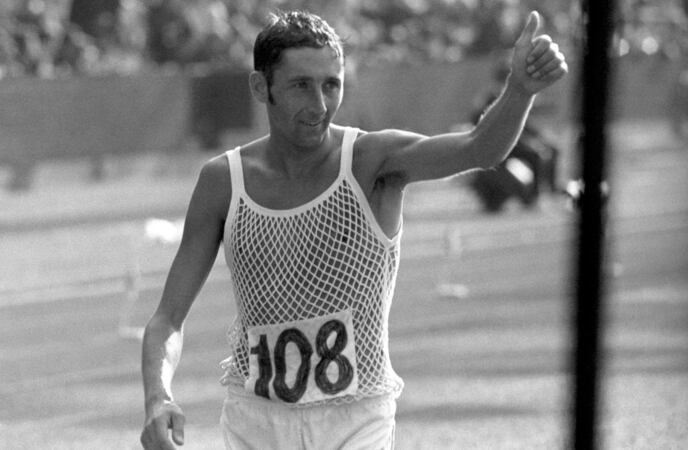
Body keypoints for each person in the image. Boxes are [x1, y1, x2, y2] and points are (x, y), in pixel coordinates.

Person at [140, 9, 567, 450]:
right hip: (255, 424)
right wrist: (159, 399)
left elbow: (480, 149)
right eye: (301, 85)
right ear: (260, 87)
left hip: (356, 421)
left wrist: (519, 91)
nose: (319, 105)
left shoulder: (372, 161)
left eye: (332, 84)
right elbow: (167, 320)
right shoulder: (223, 182)